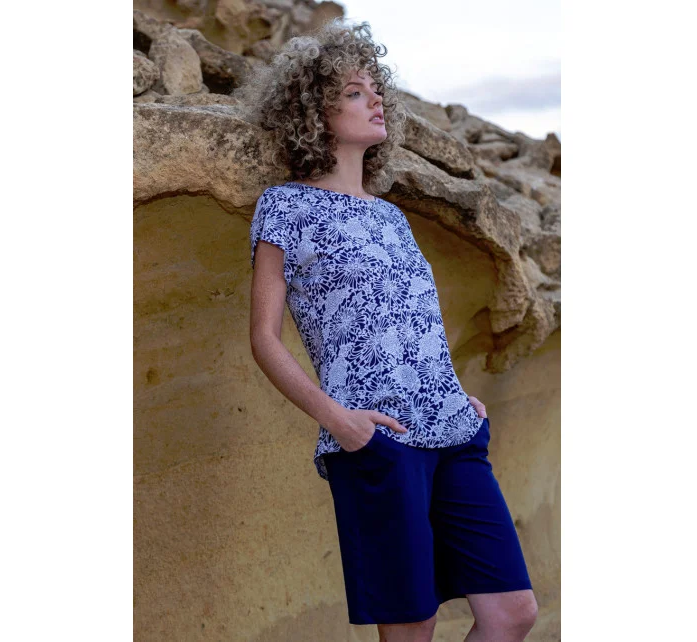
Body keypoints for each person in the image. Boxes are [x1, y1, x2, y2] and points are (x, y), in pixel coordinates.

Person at [243, 18, 538, 642]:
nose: (376, 100)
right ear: (313, 112)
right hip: (378, 437)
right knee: (412, 626)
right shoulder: (286, 207)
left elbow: (411, 318)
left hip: (454, 428)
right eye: (354, 92)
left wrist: (453, 391)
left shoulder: (391, 217)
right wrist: (338, 421)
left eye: (377, 90)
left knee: (512, 613)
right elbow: (264, 337)